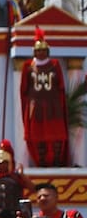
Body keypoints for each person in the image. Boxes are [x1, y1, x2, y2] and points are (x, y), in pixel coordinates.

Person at [20, 31, 70, 167]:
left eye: (43, 50)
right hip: (36, 107)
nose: (41, 53)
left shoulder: (55, 65)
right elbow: (24, 90)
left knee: (57, 136)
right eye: (38, 50)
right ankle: (41, 162)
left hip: (53, 106)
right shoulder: (28, 67)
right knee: (38, 137)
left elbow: (60, 87)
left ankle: (57, 161)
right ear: (34, 52)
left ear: (48, 51)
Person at [0, 140, 33, 213]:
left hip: (13, 211)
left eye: (3, 163)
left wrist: (22, 175)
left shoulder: (16, 177)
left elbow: (32, 188)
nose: (1, 165)